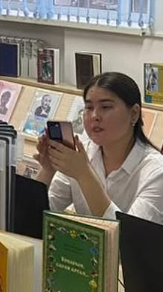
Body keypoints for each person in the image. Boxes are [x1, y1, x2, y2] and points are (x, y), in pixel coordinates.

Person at [35, 72, 163, 224]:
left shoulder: (156, 171)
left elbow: (127, 235)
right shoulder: (81, 153)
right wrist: (48, 170)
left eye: (106, 107)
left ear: (134, 114)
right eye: (89, 107)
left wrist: (84, 175)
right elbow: (37, 218)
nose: (95, 116)